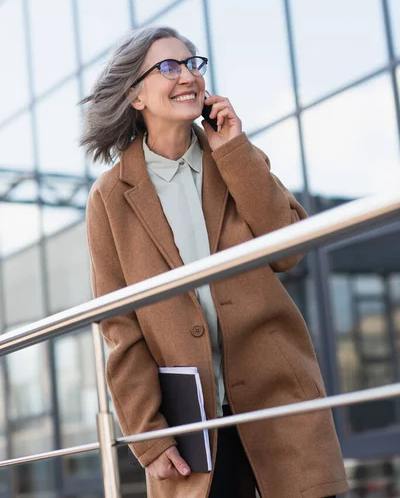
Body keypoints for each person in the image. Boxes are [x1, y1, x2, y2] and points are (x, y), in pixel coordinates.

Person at [81, 26, 348, 498]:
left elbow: (289, 249)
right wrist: (148, 433)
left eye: (192, 63)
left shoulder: (234, 155)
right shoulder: (110, 198)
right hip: (191, 430)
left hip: (278, 401)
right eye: (168, 67)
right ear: (135, 96)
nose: (187, 76)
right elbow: (120, 327)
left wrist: (236, 154)